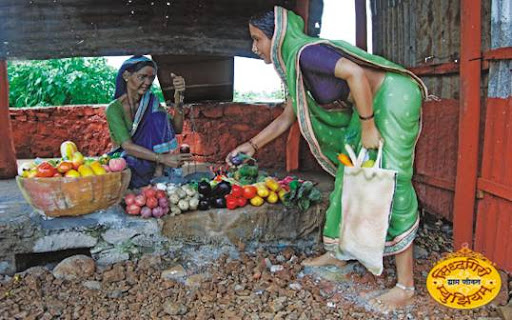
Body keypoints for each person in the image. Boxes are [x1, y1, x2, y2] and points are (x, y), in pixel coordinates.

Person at [226, 7, 429, 313]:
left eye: (257, 39)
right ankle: (339, 252)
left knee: (392, 182)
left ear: (278, 35)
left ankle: (405, 286)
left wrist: (368, 125)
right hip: (367, 109)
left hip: (391, 97)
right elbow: (286, 118)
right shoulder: (294, 66)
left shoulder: (306, 53)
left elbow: (356, 73)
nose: (254, 48)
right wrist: (252, 145)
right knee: (347, 176)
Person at [106, 55, 191, 189]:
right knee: (129, 164)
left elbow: (177, 128)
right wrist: (163, 159)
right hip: (128, 161)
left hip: (154, 162)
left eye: (151, 78)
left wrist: (179, 96)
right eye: (142, 77)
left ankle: (158, 172)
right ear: (126, 75)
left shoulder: (152, 102)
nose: (147, 82)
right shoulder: (114, 109)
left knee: (158, 115)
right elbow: (127, 146)